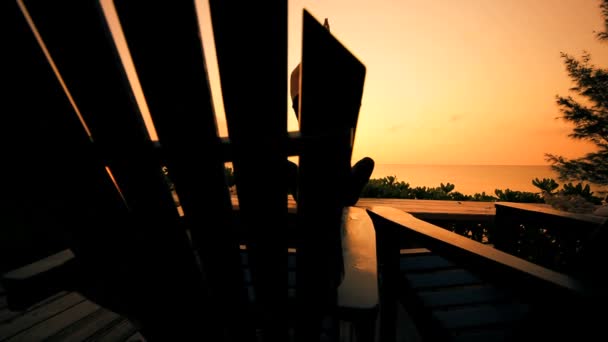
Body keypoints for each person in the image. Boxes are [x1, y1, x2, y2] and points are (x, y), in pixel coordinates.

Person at [287, 18, 375, 207]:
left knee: (288, 168)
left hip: (308, 193)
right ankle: (343, 192)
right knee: (367, 162)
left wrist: (314, 51)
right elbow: (349, 81)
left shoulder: (305, 114)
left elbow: (294, 77)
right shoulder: (345, 109)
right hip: (341, 194)